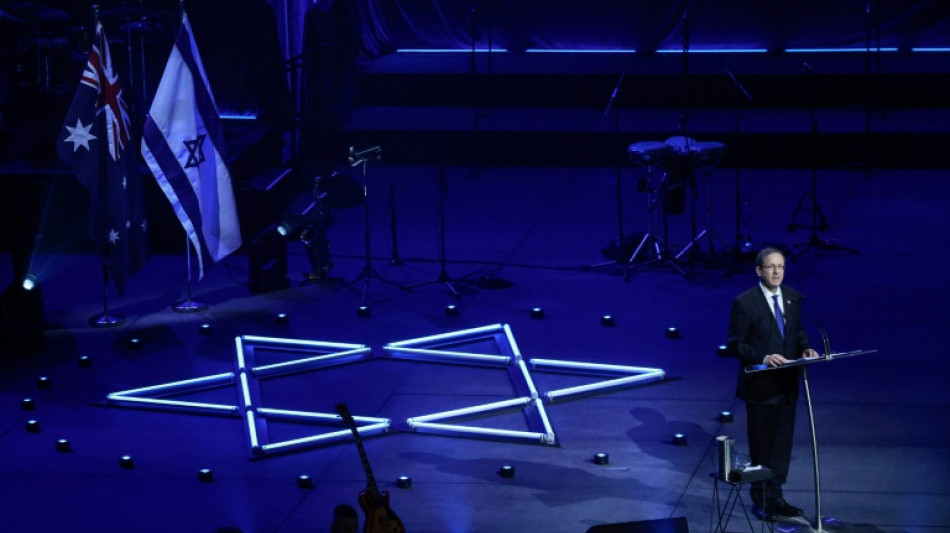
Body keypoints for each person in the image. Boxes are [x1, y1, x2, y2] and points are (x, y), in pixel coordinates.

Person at [727, 247, 819, 520]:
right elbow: (736, 344)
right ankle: (761, 499)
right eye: (771, 266)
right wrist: (764, 357)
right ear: (759, 271)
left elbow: (797, 332)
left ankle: (777, 496)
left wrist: (805, 348)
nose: (777, 271)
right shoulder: (745, 302)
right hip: (761, 388)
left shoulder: (792, 297)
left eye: (781, 266)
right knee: (762, 447)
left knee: (781, 447)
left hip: (787, 385)